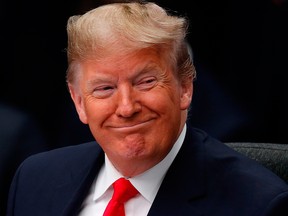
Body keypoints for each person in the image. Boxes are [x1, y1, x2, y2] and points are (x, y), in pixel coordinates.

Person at [7, 1, 288, 215]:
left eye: (146, 82)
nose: (127, 107)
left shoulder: (257, 204)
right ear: (79, 101)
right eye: (105, 88)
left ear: (185, 88)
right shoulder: (34, 180)